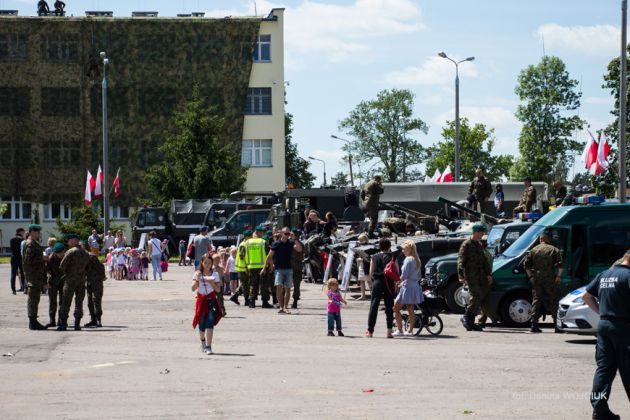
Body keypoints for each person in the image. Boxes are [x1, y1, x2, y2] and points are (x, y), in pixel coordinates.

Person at [582, 250, 630, 420]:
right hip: (624, 327)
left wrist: (601, 312)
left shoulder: (605, 274)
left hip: (604, 326)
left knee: (604, 369)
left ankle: (599, 410)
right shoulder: (628, 276)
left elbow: (586, 296)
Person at [523, 228, 564, 333]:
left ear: (540, 239)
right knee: (553, 300)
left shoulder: (534, 250)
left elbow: (526, 265)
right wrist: (558, 277)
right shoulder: (554, 249)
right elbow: (560, 265)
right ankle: (557, 325)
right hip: (550, 278)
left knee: (536, 300)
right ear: (548, 239)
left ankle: (534, 324)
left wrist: (531, 277)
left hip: (537, 278)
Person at [457, 223, 493, 332]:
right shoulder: (466, 244)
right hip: (471, 275)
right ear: (476, 232)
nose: (482, 234)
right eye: (481, 232)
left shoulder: (478, 244)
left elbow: (484, 261)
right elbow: (460, 261)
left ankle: (471, 322)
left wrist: (488, 274)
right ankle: (466, 317)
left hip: (480, 275)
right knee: (476, 295)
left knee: (481, 295)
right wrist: (461, 276)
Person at [264, 226, 303, 314]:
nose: (287, 235)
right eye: (285, 233)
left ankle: (285, 307)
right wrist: (266, 267)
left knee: (288, 289)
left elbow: (299, 249)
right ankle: (281, 307)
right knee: (279, 288)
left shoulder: (291, 242)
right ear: (281, 233)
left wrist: (295, 239)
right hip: (279, 269)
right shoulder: (276, 243)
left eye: (288, 233)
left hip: (288, 269)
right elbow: (269, 256)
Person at [366, 238, 397, 338]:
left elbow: (371, 273)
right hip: (389, 283)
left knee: (374, 305)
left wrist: (373, 280)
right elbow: (397, 272)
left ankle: (370, 331)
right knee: (389, 306)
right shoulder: (393, 257)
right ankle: (389, 330)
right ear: (389, 246)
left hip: (378, 282)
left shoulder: (374, 257)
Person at [58, 234, 90, 331]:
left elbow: (62, 266)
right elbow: (87, 267)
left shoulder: (70, 252)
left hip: (70, 280)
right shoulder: (85, 253)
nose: (68, 242)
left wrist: (68, 272)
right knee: (79, 302)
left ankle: (63, 324)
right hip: (81, 280)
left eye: (69, 240)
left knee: (66, 302)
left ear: (74, 241)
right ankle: (77, 324)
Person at [192, 253, 222, 355]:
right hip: (201, 301)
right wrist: (197, 280)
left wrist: (211, 282)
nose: (207, 265)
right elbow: (192, 288)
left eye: (209, 263)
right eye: (205, 262)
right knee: (201, 324)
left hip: (210, 300)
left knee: (210, 323)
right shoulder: (197, 273)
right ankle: (203, 342)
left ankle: (209, 346)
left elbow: (218, 290)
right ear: (202, 263)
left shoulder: (215, 274)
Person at [393, 240, 424, 337]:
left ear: (409, 249)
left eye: (404, 249)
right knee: (410, 308)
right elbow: (418, 276)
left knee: (396, 308)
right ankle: (410, 330)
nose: (402, 251)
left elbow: (404, 275)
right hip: (414, 286)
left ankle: (400, 330)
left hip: (407, 287)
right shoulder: (416, 259)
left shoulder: (408, 260)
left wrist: (398, 282)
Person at [23, 224, 48, 330]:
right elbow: (28, 260)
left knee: (35, 298)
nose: (39, 234)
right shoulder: (30, 244)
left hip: (36, 275)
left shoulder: (34, 243)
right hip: (32, 276)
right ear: (32, 232)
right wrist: (42, 258)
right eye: (37, 232)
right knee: (33, 299)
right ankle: (32, 322)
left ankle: (34, 320)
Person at [246, 226, 271, 308]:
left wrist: (246, 266)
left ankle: (252, 302)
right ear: (259, 232)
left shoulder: (248, 242)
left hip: (251, 266)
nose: (263, 233)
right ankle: (264, 302)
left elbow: (245, 255)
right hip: (262, 267)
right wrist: (271, 265)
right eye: (262, 232)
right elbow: (268, 255)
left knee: (253, 284)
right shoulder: (263, 242)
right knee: (264, 285)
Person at [229, 230, 252, 306]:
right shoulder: (243, 244)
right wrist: (246, 267)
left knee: (245, 284)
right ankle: (246, 300)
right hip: (243, 268)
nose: (251, 237)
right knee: (245, 285)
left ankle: (235, 296)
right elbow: (242, 256)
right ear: (246, 237)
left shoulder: (246, 243)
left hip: (243, 267)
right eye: (250, 236)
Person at [45, 242, 65, 328]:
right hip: (52, 281)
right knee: (52, 302)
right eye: (58, 253)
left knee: (62, 301)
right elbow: (45, 270)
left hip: (63, 281)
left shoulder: (67, 257)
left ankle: (60, 320)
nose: (60, 255)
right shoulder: (50, 258)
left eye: (62, 253)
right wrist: (44, 283)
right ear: (55, 252)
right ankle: (52, 320)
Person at [84, 254, 106, 328]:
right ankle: (93, 319)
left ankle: (98, 320)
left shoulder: (99, 266)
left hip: (97, 285)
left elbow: (103, 276)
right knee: (90, 302)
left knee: (96, 301)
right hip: (89, 284)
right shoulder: (88, 264)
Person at [290, 228, 304, 309]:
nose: (290, 236)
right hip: (288, 268)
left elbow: (299, 249)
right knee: (285, 286)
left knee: (296, 285)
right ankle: (284, 302)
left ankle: (295, 301)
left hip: (297, 268)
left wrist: (295, 239)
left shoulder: (300, 244)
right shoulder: (288, 243)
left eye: (292, 234)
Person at [10, 227, 26, 295]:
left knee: (13, 274)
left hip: (13, 257)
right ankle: (24, 288)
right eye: (23, 232)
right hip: (20, 258)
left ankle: (13, 289)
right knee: (22, 273)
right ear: (20, 232)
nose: (24, 233)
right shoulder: (22, 239)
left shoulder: (12, 239)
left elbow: (12, 248)